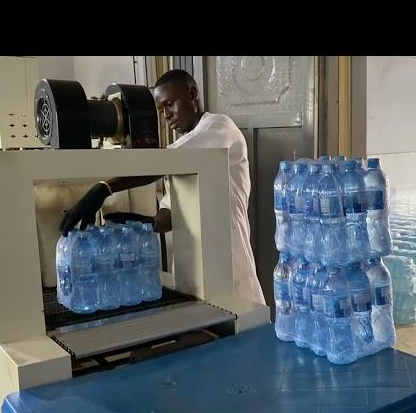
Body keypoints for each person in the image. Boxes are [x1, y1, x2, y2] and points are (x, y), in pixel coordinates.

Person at [59, 69, 265, 305]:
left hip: (230, 268)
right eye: (161, 110)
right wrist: (146, 223)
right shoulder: (182, 148)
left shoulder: (219, 129)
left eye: (170, 104)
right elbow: (171, 214)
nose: (166, 115)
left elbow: (164, 162)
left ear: (193, 93)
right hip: (192, 276)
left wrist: (104, 188)